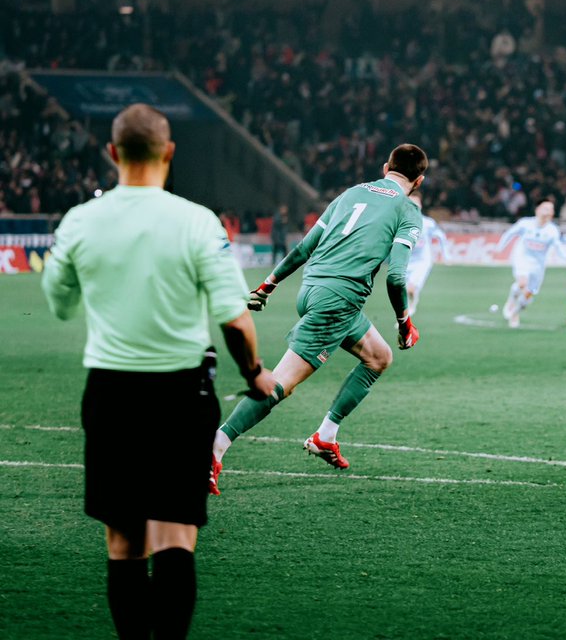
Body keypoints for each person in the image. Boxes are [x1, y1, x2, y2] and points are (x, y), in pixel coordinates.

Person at [41, 103, 274, 640]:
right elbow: (235, 321)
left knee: (123, 541)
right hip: (181, 395)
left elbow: (58, 303)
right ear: (170, 153)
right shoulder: (197, 221)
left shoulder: (80, 221)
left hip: (110, 392)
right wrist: (256, 374)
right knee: (174, 535)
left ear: (112, 153)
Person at [211, 144, 427, 488]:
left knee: (378, 357)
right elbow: (398, 276)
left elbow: (304, 247)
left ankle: (326, 436)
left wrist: (268, 285)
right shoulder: (407, 209)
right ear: (418, 180)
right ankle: (215, 448)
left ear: (386, 166)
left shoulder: (351, 194)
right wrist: (405, 323)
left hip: (313, 289)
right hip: (338, 301)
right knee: (280, 384)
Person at [497, 200, 565, 328]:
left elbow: (558, 245)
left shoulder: (552, 230)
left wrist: (564, 256)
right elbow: (510, 233)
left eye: (551, 209)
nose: (548, 211)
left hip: (538, 264)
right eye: (545, 208)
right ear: (537, 210)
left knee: (529, 294)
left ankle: (515, 311)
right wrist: (499, 247)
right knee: (523, 283)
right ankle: (513, 308)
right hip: (522, 257)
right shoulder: (525, 223)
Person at [406, 193, 449, 316]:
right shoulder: (400, 221)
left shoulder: (427, 223)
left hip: (422, 261)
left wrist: (446, 256)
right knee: (402, 291)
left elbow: (440, 236)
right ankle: (411, 302)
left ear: (420, 205)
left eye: (416, 203)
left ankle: (408, 312)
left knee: (410, 288)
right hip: (406, 261)